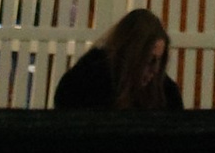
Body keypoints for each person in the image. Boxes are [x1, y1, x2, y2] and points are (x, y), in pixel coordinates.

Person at [54, 7, 182, 108]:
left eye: (158, 61)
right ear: (132, 56)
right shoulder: (86, 82)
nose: (155, 70)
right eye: (150, 60)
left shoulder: (165, 93)